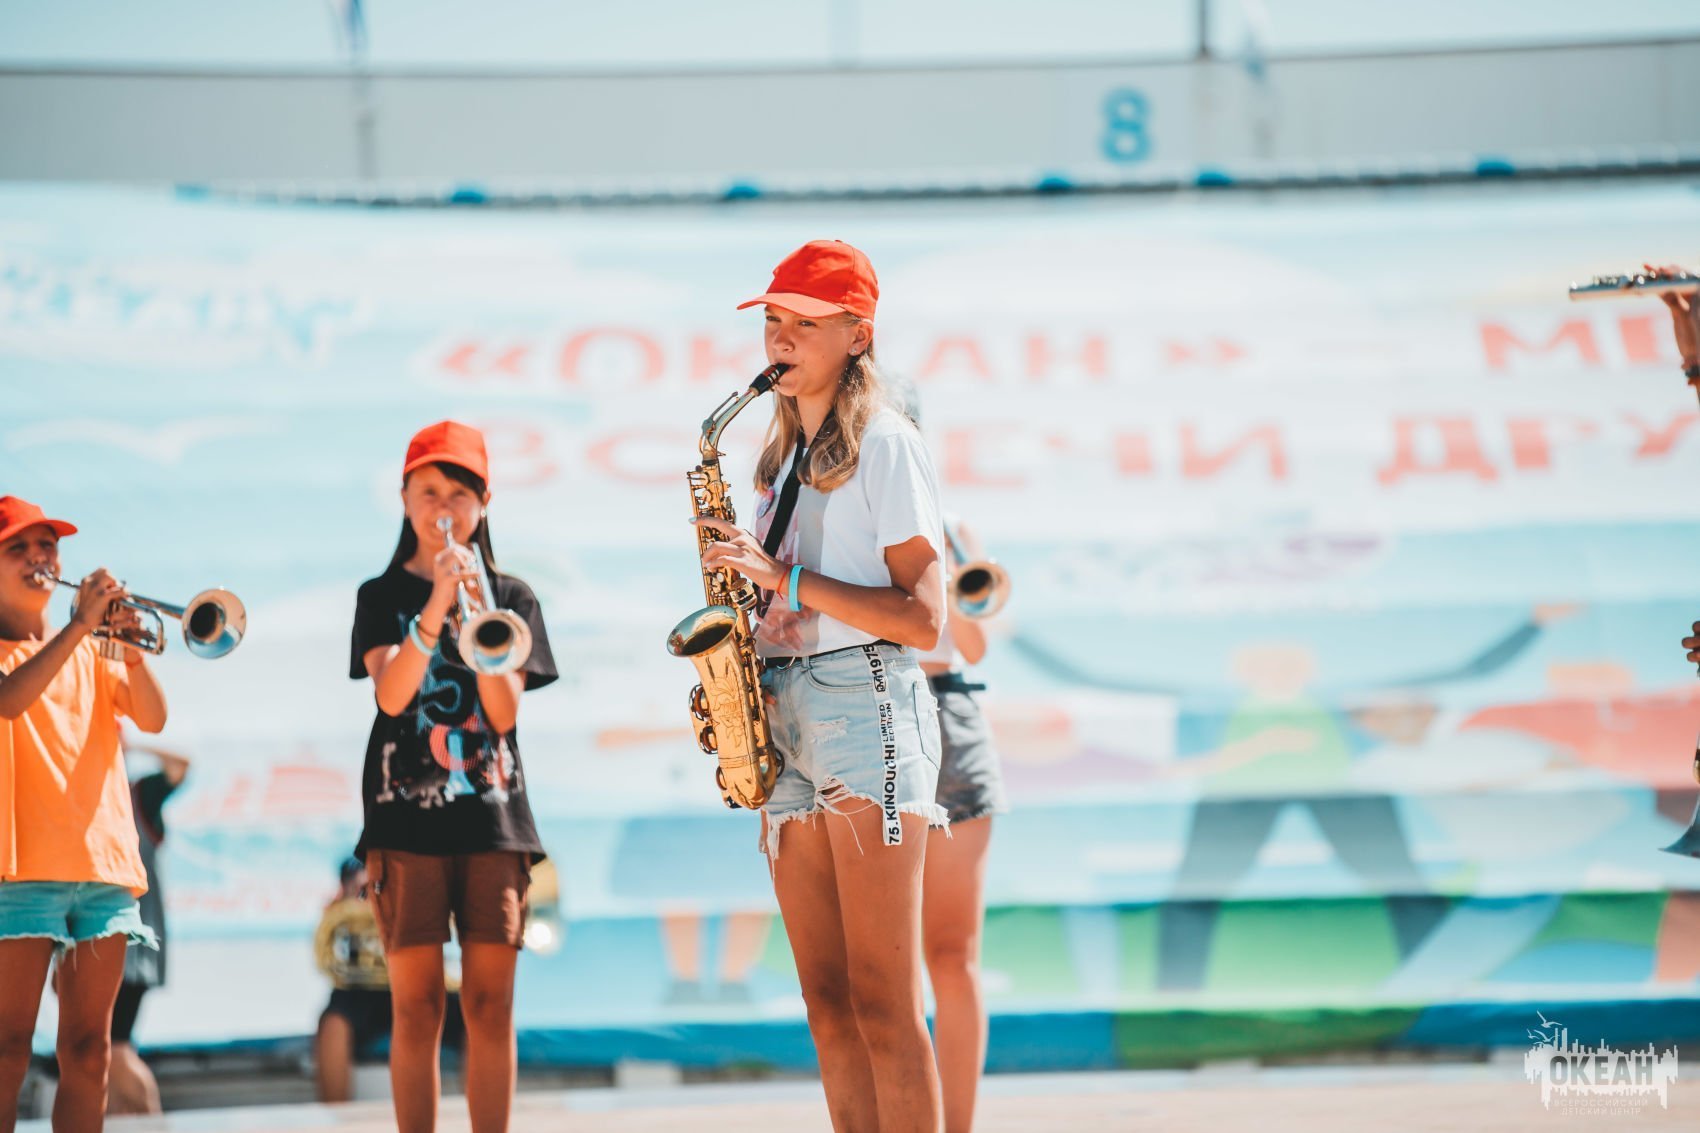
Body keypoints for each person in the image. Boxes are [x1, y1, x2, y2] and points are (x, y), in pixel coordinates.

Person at [695, 240, 949, 1132]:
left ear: (857, 334)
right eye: (773, 320)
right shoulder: (780, 458)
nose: (780, 337)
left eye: (805, 322)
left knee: (884, 1001)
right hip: (786, 708)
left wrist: (787, 581)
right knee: (827, 1003)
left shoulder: (887, 442)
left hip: (863, 701)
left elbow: (925, 617)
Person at [350, 423, 557, 1133]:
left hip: (493, 819)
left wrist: (476, 602)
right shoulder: (380, 595)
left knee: (491, 1006)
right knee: (416, 1007)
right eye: (429, 491)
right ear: (404, 498)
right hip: (403, 822)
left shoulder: (513, 597)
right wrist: (437, 603)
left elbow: (503, 713)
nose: (444, 507)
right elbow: (392, 696)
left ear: (484, 503)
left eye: (460, 494)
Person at [0, 495, 168, 1133]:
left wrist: (129, 647)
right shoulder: (65, 638)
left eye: (47, 545)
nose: (39, 558)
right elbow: (10, 700)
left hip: (103, 867)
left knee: (90, 1051)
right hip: (20, 871)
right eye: (18, 548)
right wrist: (79, 628)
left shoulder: (96, 645)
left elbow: (153, 717)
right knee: (7, 1049)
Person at [893, 381, 1009, 1133]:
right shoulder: (834, 519)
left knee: (952, 953)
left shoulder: (952, 524)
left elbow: (972, 644)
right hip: (876, 715)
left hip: (950, 714)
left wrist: (955, 572)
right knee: (889, 959)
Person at [314, 856, 465, 1104]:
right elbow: (327, 957)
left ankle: (476, 1111)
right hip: (361, 991)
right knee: (333, 1024)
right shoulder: (342, 908)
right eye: (364, 892)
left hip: (419, 982)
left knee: (474, 1017)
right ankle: (335, 1115)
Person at [105, 734, 190, 1116]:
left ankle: (154, 1122)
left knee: (116, 1048)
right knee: (99, 1052)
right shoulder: (83, 805)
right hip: (94, 944)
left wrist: (131, 743)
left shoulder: (141, 795)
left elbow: (181, 765)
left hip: (132, 951)